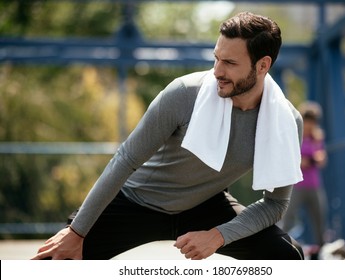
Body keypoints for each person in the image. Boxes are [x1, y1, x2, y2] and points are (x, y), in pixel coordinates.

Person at [32, 11, 304, 260]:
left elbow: (275, 204)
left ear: (262, 66)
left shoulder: (285, 122)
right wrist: (77, 231)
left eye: (230, 63)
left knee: (287, 256)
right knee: (56, 261)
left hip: (205, 205)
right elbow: (126, 159)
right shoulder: (184, 93)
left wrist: (218, 235)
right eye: (216, 58)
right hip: (137, 200)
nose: (218, 71)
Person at [280, 101, 327, 258]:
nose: (309, 125)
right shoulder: (295, 134)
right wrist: (303, 160)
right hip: (297, 186)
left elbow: (322, 157)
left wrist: (315, 159)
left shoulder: (317, 137)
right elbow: (289, 156)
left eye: (312, 122)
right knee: (288, 219)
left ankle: (321, 253)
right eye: (307, 121)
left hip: (314, 185)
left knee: (319, 219)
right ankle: (280, 248)